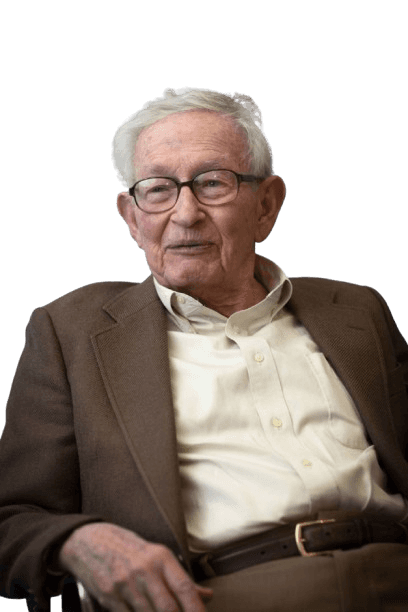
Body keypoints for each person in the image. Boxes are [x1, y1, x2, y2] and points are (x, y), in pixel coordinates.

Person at [1, 87, 408, 612]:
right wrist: (76, 542)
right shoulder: (70, 332)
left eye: (212, 183)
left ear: (267, 205)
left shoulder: (356, 310)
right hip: (217, 596)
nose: (185, 213)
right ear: (131, 216)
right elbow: (12, 518)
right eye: (157, 190)